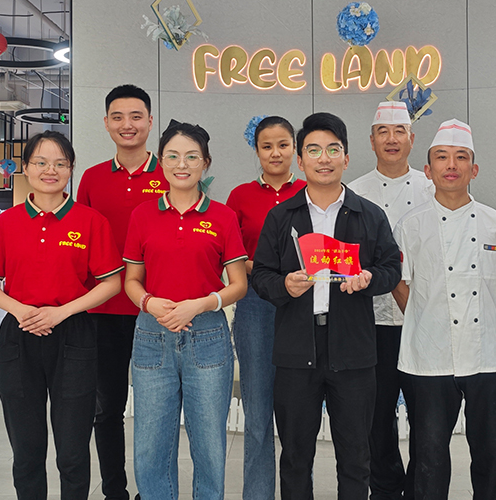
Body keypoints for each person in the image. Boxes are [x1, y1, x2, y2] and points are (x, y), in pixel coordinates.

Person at [252, 112, 402, 500]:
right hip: (295, 350)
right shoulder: (281, 217)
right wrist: (284, 284)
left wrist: (369, 279)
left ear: (346, 159)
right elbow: (261, 275)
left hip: (353, 352)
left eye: (333, 150)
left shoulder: (369, 215)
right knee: (295, 457)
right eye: (314, 150)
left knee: (355, 457)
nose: (324, 159)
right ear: (301, 160)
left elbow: (391, 268)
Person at [0, 131, 124, 500]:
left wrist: (61, 312)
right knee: (26, 450)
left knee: (72, 450)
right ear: (25, 168)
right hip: (18, 335)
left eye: (60, 163)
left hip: (74, 335)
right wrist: (20, 309)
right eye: (40, 162)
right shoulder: (7, 222)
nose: (50, 170)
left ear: (71, 169)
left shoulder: (90, 221)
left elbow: (112, 283)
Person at [393, 119, 496, 500]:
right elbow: (399, 284)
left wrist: (484, 322)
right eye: (441, 157)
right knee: (429, 455)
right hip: (428, 357)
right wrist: (426, 320)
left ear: (474, 169)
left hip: (485, 356)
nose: (451, 165)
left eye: (461, 157)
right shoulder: (410, 225)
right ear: (428, 169)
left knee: (492, 452)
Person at [123, 121, 248, 500]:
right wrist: (149, 302)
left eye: (192, 157)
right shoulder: (142, 215)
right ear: (161, 162)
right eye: (173, 156)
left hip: (207, 337)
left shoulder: (223, 216)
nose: (182, 164)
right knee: (150, 443)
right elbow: (131, 281)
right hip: (152, 336)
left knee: (209, 443)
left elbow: (238, 284)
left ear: (205, 163)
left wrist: (201, 303)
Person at [77, 84, 168, 500]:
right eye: (117, 117)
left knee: (157, 411)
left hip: (158, 310)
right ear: (106, 123)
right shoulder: (93, 178)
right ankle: (115, 491)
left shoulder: (170, 173)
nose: (127, 125)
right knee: (107, 408)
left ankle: (154, 490)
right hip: (104, 310)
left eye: (135, 116)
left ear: (150, 121)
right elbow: (80, 241)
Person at [346, 101, 433, 500]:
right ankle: (384, 488)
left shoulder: (433, 187)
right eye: (383, 132)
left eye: (400, 131)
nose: (392, 139)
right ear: (371, 141)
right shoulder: (354, 192)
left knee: (426, 416)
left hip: (422, 320)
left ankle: (418, 488)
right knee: (376, 417)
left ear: (412, 139)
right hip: (371, 323)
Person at [226, 115, 306, 500]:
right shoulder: (240, 196)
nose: (275, 153)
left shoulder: (309, 190)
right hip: (256, 306)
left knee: (298, 415)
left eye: (283, 145)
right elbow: (231, 254)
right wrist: (268, 272)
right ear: (256, 150)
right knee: (258, 415)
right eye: (267, 146)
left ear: (295, 149)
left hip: (303, 308)